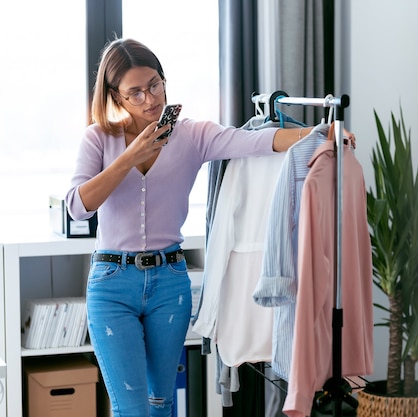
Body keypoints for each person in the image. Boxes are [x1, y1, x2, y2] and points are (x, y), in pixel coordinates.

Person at [66, 37, 349, 417]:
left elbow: (254, 141)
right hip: (112, 283)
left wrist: (321, 134)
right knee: (130, 409)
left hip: (169, 282)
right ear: (115, 96)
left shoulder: (192, 136)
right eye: (135, 92)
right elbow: (77, 208)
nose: (150, 99)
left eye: (155, 84)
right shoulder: (98, 139)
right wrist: (130, 157)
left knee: (161, 402)